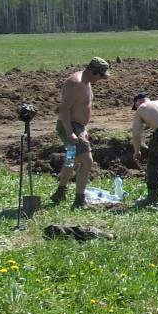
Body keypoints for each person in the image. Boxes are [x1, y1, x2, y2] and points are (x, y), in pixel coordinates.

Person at [50, 57, 110, 209]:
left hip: (78, 128)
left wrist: (82, 129)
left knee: (72, 160)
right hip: (70, 127)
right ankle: (79, 200)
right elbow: (63, 109)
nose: (101, 80)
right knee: (87, 161)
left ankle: (60, 192)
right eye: (101, 76)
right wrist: (71, 132)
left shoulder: (87, 81)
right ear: (93, 72)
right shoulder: (74, 83)